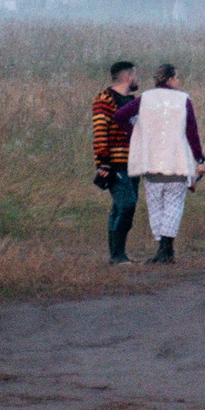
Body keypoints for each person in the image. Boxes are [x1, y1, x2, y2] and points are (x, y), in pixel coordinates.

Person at [126, 63, 205, 264]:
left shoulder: (145, 98)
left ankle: (164, 250)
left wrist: (138, 133)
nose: (179, 82)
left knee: (155, 208)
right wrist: (200, 158)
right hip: (177, 163)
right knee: (173, 206)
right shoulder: (183, 100)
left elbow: (119, 116)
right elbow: (192, 132)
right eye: (177, 78)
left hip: (151, 164)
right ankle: (166, 250)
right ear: (169, 79)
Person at [91, 60, 141, 266]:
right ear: (127, 76)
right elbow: (100, 131)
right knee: (126, 205)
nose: (137, 79)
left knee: (121, 207)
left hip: (133, 162)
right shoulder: (105, 99)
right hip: (115, 163)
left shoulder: (132, 100)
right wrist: (103, 162)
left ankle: (117, 253)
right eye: (135, 75)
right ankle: (117, 255)